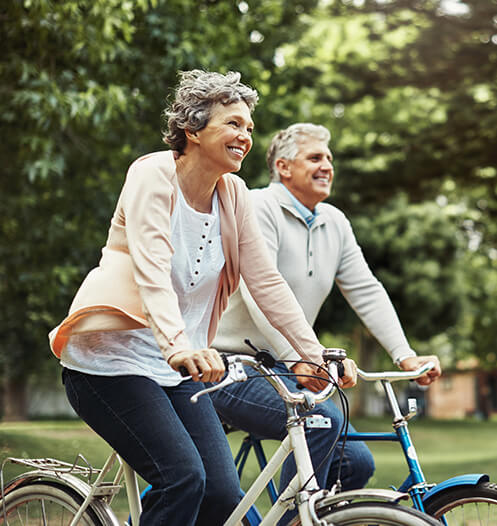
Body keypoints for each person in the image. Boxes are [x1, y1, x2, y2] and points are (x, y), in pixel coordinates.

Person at [48, 75, 356, 526]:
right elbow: (151, 267)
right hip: (110, 363)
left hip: (180, 370)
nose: (245, 137)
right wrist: (178, 345)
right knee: (182, 479)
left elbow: (266, 282)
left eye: (249, 127)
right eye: (233, 124)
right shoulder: (152, 175)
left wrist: (314, 355)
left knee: (222, 495)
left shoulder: (233, 195)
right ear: (193, 130)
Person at [210, 122, 442, 521]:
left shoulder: (334, 222)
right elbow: (258, 289)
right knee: (319, 422)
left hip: (288, 365)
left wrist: (404, 355)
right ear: (283, 166)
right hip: (229, 364)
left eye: (329, 159)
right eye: (315, 158)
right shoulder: (258, 207)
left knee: (355, 462)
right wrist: (300, 357)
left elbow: (366, 290)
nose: (327, 166)